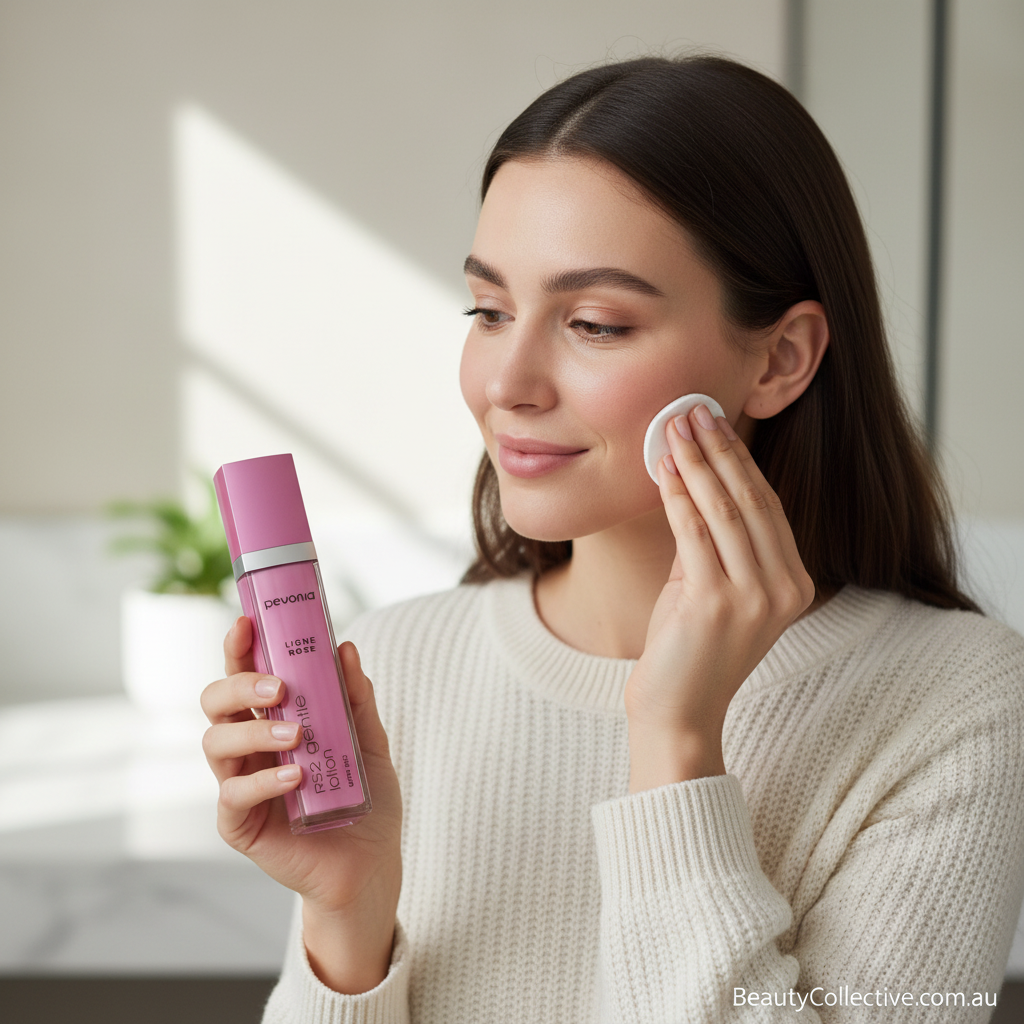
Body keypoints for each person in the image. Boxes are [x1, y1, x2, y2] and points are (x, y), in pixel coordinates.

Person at [200, 55, 1024, 1022]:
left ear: (780, 359)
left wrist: (676, 742)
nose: (508, 381)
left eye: (594, 323)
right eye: (490, 310)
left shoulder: (953, 702)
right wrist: (347, 919)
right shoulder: (394, 669)